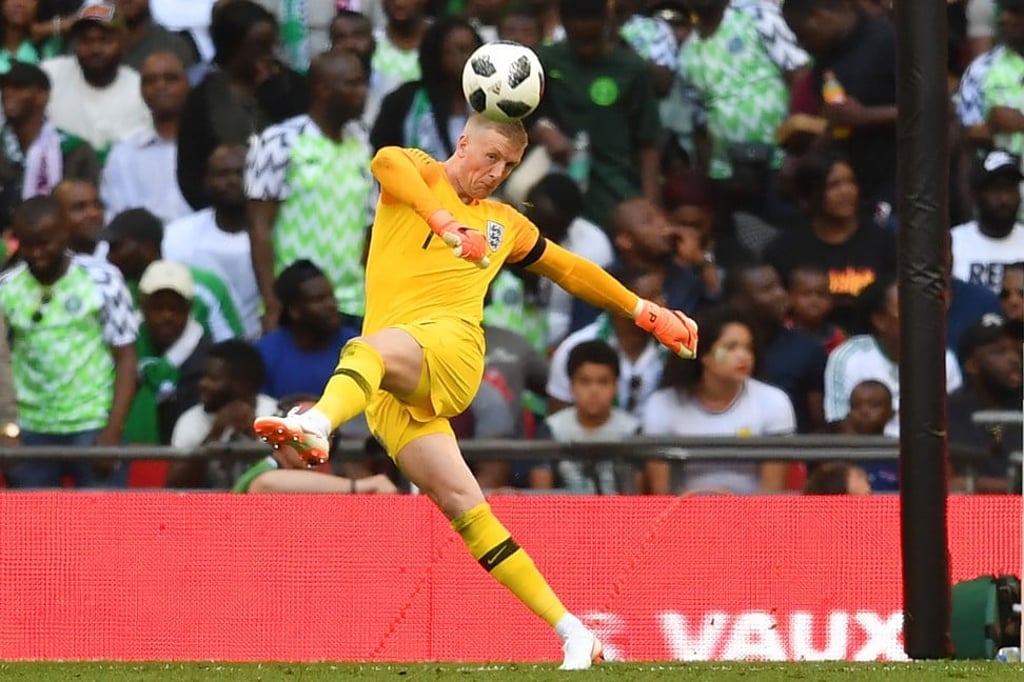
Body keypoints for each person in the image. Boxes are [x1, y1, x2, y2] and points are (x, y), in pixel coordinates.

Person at [252, 113, 697, 669]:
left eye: (509, 165)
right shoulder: (415, 173)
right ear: (463, 143)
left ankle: (316, 423)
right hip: (392, 385)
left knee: (365, 349)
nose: (497, 173)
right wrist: (443, 223)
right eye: (491, 157)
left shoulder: (503, 223)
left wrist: (644, 311)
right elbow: (385, 162)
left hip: (451, 352)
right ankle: (574, 632)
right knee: (465, 507)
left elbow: (569, 269)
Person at [531, 339, 640, 494]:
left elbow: (636, 496)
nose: (594, 391)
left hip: (617, 509)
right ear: (571, 386)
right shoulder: (552, 429)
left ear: (615, 387)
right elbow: (540, 495)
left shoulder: (632, 430)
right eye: (585, 382)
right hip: (566, 509)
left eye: (603, 382)